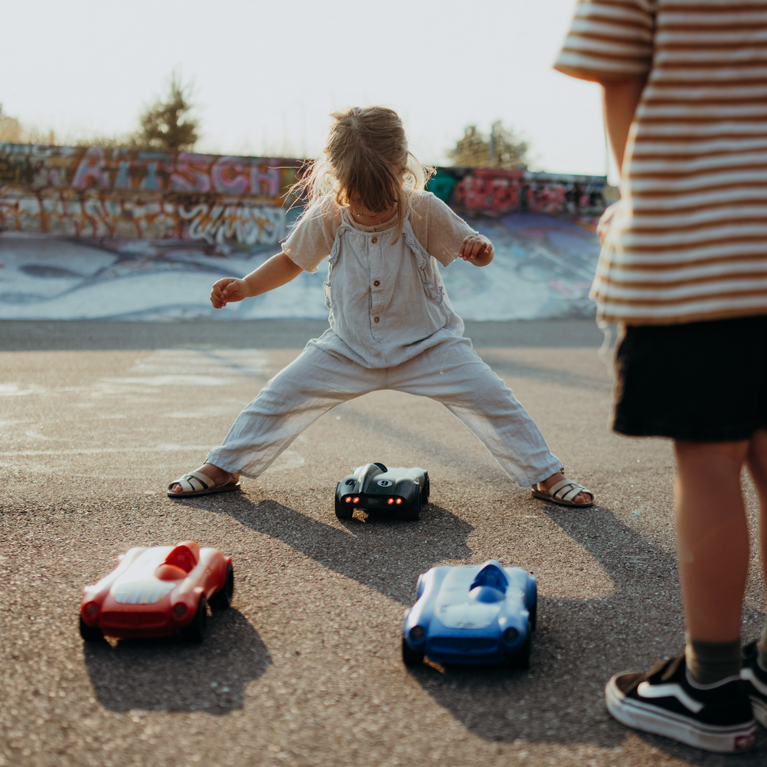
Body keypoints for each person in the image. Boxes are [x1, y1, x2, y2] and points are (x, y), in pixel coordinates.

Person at [168, 106, 593, 509]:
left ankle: (545, 474)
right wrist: (245, 286)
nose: (368, 206)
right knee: (277, 397)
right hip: (347, 348)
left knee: (495, 399)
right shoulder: (329, 214)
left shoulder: (422, 208)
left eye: (380, 194)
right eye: (357, 194)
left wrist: (479, 250)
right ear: (336, 176)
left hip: (431, 347)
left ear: (401, 167)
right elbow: (291, 261)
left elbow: (475, 248)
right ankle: (223, 466)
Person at [555, 0, 767, 754]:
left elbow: (619, 73)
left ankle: (707, 686)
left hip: (705, 246)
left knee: (709, 461)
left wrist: (639, 197)